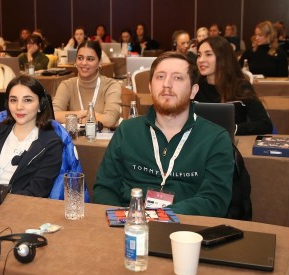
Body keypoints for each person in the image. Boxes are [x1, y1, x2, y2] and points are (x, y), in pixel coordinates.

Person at [93, 51, 234, 217]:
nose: (167, 84)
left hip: (186, 231)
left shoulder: (215, 138)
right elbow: (105, 188)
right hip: (128, 227)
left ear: (193, 91)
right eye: (160, 77)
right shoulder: (127, 131)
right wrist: (121, 220)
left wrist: (157, 216)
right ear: (150, 87)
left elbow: (214, 201)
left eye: (177, 78)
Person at [0, 75, 63, 197]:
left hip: (21, 207)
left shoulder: (51, 143)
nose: (19, 107)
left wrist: (2, 201)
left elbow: (38, 190)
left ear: (41, 105)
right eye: (13, 100)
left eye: (27, 100)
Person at [195, 36, 273, 135]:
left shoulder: (240, 87)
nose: (201, 60)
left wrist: (232, 128)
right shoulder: (195, 87)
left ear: (223, 57)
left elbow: (265, 125)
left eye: (208, 54)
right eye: (199, 55)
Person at [53, 41, 122, 129]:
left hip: (103, 141)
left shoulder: (111, 85)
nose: (84, 63)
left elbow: (110, 119)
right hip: (73, 140)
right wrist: (82, 114)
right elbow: (53, 115)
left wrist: (75, 118)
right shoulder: (67, 85)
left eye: (90, 59)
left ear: (100, 62)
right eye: (80, 58)